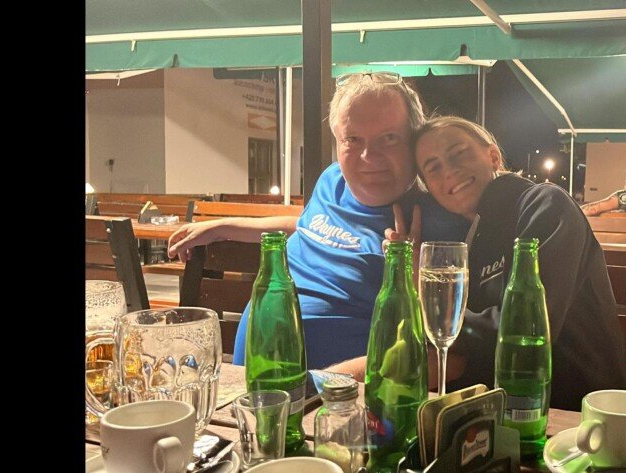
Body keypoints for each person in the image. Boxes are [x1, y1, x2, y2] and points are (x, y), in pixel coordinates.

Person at [166, 72, 469, 370]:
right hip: (253, 380)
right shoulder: (332, 180)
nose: (368, 156)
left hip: (331, 394)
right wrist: (222, 227)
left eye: (389, 138)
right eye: (353, 139)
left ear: (414, 141)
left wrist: (323, 382)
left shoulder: (433, 221)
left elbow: (449, 357)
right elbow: (307, 225)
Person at [387, 116, 626, 410]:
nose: (449, 171)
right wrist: (413, 277)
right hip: (504, 410)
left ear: (493, 156)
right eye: (433, 168)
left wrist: (439, 321)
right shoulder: (470, 239)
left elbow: (528, 327)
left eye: (458, 153)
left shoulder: (545, 204)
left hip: (580, 412)